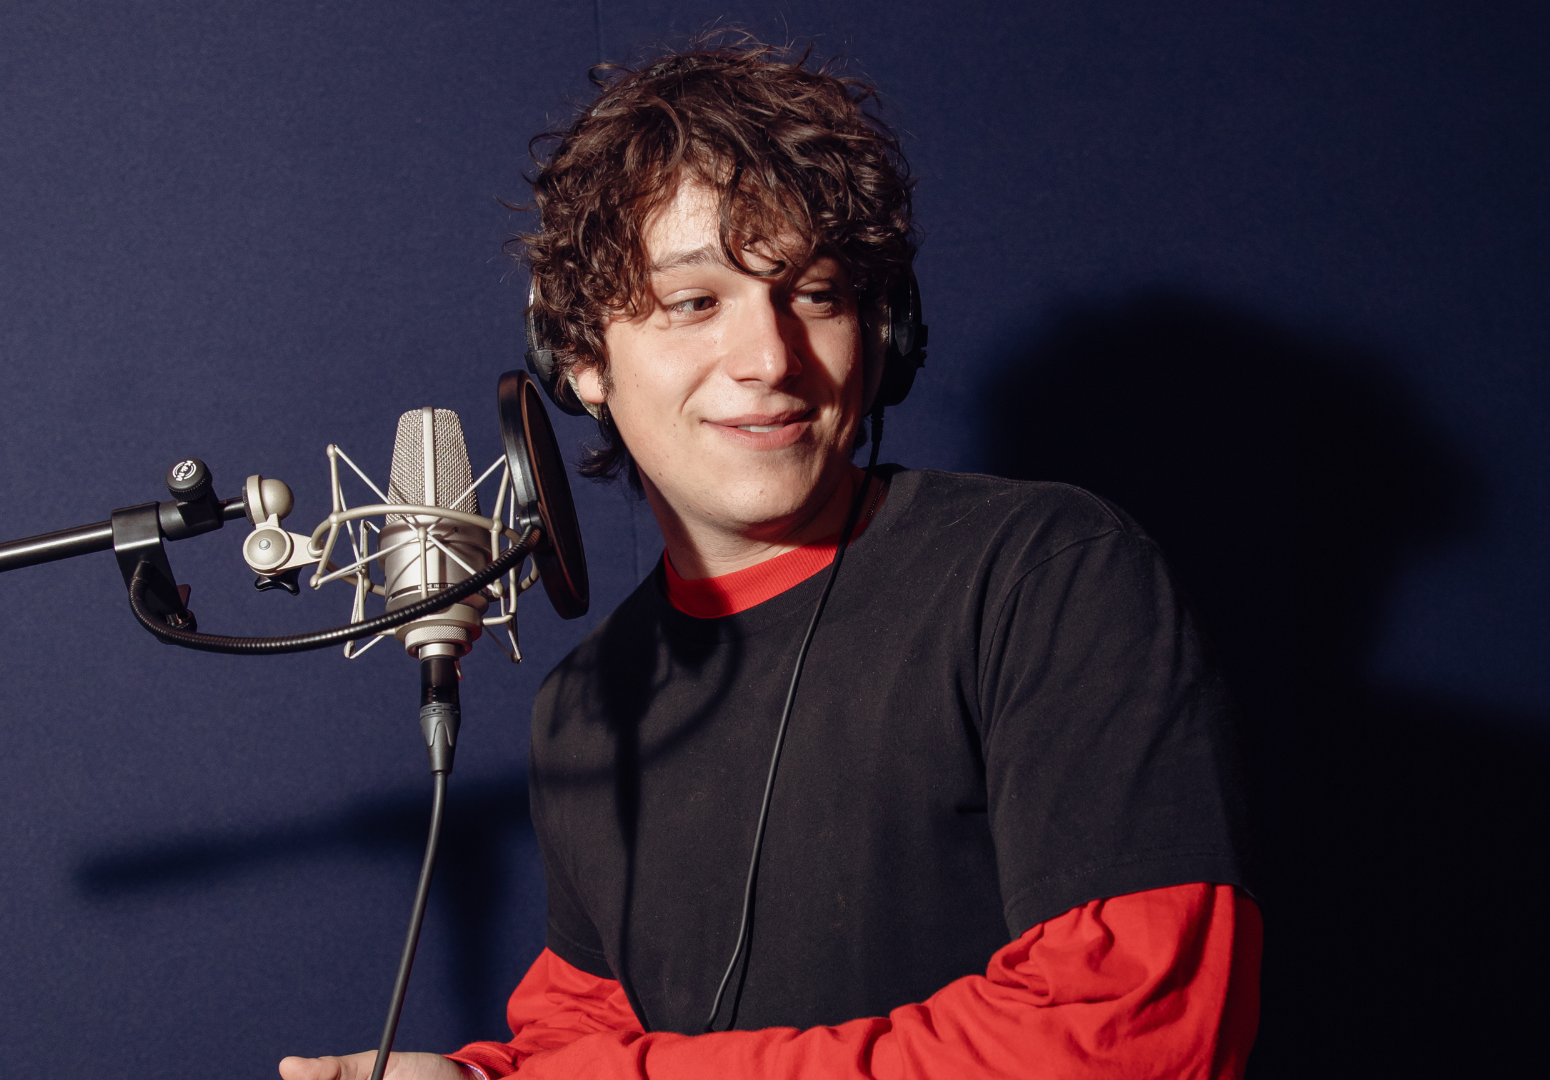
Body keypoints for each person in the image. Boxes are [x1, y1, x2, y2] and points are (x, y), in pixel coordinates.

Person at [283, 39, 1260, 1080]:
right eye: (696, 301)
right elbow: (581, 1033)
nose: (769, 360)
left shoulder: (1049, 577)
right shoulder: (585, 704)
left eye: (817, 292)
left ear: (885, 337)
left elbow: (1130, 1036)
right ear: (578, 359)